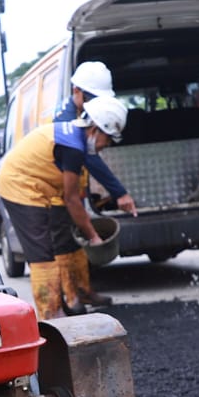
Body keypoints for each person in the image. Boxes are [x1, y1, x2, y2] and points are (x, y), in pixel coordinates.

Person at [0, 94, 129, 319]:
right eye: (109, 138)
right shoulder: (73, 146)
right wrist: (93, 235)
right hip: (20, 187)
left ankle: (68, 303)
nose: (106, 146)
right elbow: (72, 198)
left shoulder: (75, 136)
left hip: (38, 188)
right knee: (42, 253)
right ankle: (50, 315)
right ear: (95, 128)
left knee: (56, 246)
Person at [51, 60, 135, 311]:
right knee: (64, 243)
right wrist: (118, 192)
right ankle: (68, 299)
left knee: (76, 241)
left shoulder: (81, 113)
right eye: (91, 98)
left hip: (72, 185)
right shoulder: (65, 118)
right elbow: (87, 156)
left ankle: (84, 291)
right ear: (76, 91)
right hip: (54, 192)